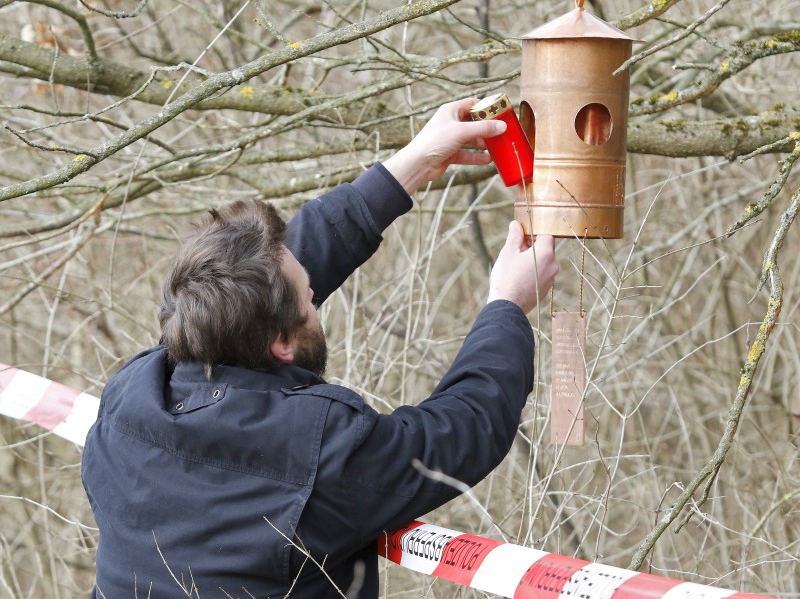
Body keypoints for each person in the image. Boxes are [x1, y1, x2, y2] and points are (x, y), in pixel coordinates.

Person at [81, 98, 558, 598]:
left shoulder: (132, 397)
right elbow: (464, 428)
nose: (314, 294)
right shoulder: (319, 451)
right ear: (282, 343)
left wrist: (410, 165)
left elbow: (258, 283)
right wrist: (507, 304)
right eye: (307, 300)